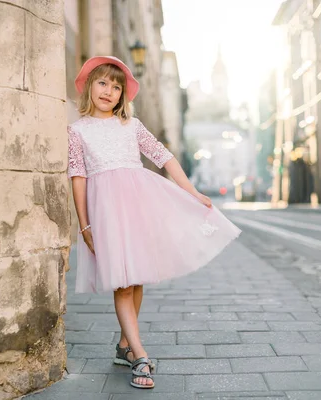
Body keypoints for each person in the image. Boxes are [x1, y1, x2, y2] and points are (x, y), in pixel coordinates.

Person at [68, 56, 241, 389]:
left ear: (123, 96)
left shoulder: (131, 126)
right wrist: (85, 224)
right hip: (106, 212)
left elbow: (164, 156)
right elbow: (78, 176)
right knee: (122, 282)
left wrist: (191, 193)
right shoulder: (77, 131)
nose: (108, 91)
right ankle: (140, 355)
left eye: (116, 87)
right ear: (89, 86)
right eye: (102, 83)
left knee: (137, 278)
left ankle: (124, 346)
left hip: (138, 206)